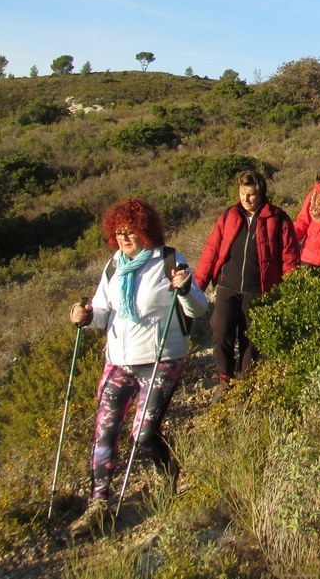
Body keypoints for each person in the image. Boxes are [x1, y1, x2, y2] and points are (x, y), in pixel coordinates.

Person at [68, 198, 208, 538]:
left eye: (130, 232)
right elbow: (103, 312)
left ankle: (169, 468)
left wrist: (185, 287)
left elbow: (198, 309)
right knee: (104, 432)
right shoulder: (114, 267)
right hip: (119, 360)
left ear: (145, 230)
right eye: (118, 233)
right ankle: (99, 504)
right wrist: (85, 318)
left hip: (163, 358)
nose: (124, 239)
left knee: (143, 434)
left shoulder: (169, 260)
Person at [195, 170, 299, 399]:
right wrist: (196, 287)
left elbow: (290, 257)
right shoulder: (229, 215)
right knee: (221, 332)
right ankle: (224, 378)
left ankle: (246, 382)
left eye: (251, 194)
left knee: (250, 339)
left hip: (258, 289)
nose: (246, 199)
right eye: (242, 193)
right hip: (227, 286)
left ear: (261, 193)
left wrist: (289, 290)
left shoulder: (278, 218)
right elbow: (211, 251)